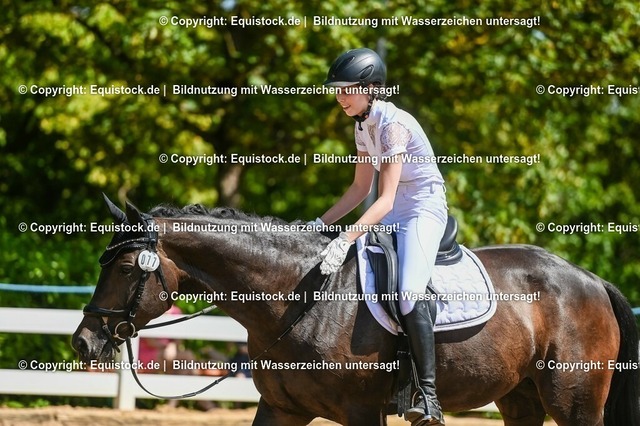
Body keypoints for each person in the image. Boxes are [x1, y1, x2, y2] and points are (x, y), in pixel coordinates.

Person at [311, 48, 447, 426]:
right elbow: (360, 189)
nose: (339, 97)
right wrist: (319, 223)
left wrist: (346, 237)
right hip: (391, 210)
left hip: (421, 210)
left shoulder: (393, 126)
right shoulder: (362, 125)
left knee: (408, 292)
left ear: (371, 88)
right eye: (336, 90)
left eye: (347, 89)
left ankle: (429, 395)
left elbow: (384, 200)